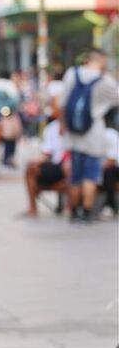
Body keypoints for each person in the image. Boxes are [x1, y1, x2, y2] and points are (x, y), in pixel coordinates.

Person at [60, 48, 119, 222]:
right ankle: (86, 213)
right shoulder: (105, 80)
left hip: (73, 133)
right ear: (102, 60)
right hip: (94, 132)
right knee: (91, 175)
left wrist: (64, 125)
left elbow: (62, 102)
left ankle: (73, 211)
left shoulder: (72, 74)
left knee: (75, 175)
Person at [22, 119, 69, 217]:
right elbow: (46, 153)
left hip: (72, 164)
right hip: (56, 164)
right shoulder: (52, 127)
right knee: (31, 169)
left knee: (68, 168)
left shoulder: (78, 125)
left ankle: (69, 208)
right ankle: (32, 208)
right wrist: (35, 161)